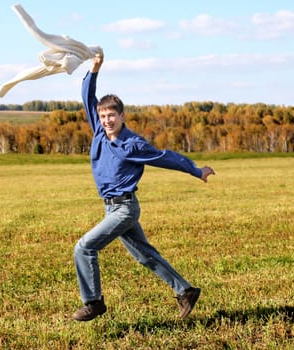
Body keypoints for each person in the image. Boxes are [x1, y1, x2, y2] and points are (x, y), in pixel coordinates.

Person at [72, 53, 215, 322]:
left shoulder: (132, 144)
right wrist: (94, 68)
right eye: (102, 115)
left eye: (111, 115)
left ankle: (93, 302)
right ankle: (185, 291)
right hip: (110, 207)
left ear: (122, 116)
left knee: (84, 248)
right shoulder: (100, 132)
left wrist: (196, 170)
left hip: (124, 209)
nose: (106, 120)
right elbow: (86, 94)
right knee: (145, 255)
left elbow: (165, 157)